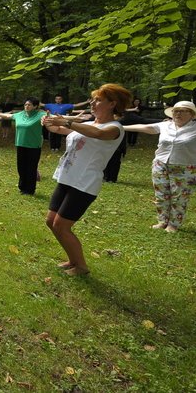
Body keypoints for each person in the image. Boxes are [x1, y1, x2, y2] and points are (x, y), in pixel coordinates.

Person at [43, 84, 131, 275]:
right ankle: (72, 260)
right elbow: (62, 131)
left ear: (112, 104)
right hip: (67, 178)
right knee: (51, 221)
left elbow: (97, 135)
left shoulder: (114, 128)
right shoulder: (89, 124)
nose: (92, 103)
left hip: (84, 183)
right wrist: (49, 122)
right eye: (93, 99)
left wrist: (67, 121)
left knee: (62, 225)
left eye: (98, 100)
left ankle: (81, 266)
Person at [123, 100, 196, 233]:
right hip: (160, 164)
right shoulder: (166, 125)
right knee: (161, 194)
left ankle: (173, 224)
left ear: (192, 115)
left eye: (183, 111)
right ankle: (162, 221)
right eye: (176, 111)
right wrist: (121, 127)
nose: (178, 113)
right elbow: (145, 127)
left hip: (185, 167)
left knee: (179, 196)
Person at [0, 97, 45, 195]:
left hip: (34, 146)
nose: (26, 106)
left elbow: (53, 118)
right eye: (25, 104)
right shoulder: (20, 114)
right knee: (21, 167)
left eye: (29, 105)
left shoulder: (40, 114)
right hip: (21, 144)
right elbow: (8, 116)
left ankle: (30, 190)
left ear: (35, 106)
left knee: (31, 168)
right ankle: (22, 187)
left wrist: (74, 119)